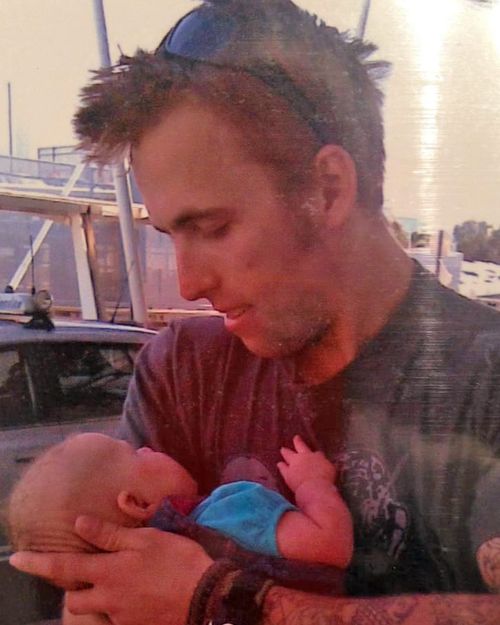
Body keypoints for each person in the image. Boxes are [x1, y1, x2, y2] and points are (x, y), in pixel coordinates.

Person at [10, 1, 500, 624]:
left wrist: (233, 601)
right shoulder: (185, 372)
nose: (188, 285)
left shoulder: (484, 381)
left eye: (211, 228)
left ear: (327, 189)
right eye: (167, 236)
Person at [7, 432, 352, 567]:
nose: (147, 447)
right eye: (137, 454)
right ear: (138, 504)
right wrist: (312, 483)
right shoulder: (227, 513)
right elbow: (331, 544)